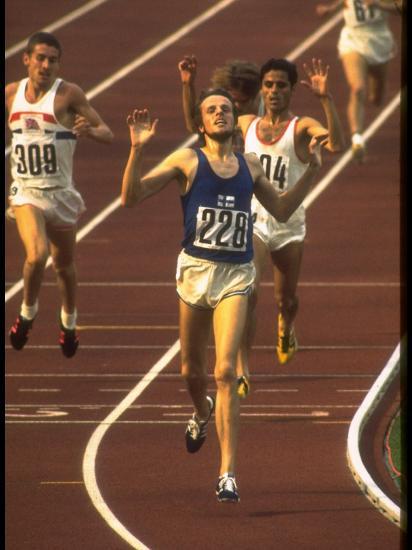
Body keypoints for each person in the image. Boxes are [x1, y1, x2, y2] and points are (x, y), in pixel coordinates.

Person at [120, 90, 322, 502]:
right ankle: (200, 411)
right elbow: (131, 197)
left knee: (225, 372)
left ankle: (227, 473)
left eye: (225, 109)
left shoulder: (250, 163)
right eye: (211, 110)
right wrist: (136, 151)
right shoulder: (187, 161)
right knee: (189, 373)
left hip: (236, 273)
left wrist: (312, 171)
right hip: (195, 272)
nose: (220, 113)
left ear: (234, 119)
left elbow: (282, 210)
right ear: (201, 124)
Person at [178, 57, 345, 400]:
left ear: (290, 90)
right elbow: (195, 124)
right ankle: (242, 368)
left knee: (286, 298)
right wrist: (187, 86)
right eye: (268, 85)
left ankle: (286, 325)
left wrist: (326, 99)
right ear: (261, 90)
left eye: (280, 85)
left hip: (289, 221)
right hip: (254, 219)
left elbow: (336, 144)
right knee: (248, 293)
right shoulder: (246, 123)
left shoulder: (301, 126)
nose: (273, 91)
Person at [6, 32, 114, 357]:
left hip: (61, 194)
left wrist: (90, 131)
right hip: (26, 191)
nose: (46, 65)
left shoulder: (68, 95)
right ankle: (27, 313)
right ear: (26, 59)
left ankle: (68, 321)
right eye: (40, 58)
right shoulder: (11, 95)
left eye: (52, 59)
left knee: (64, 266)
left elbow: (108, 134)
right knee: (37, 255)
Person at [315, 0, 402, 162]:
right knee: (358, 88)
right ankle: (357, 139)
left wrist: (379, 5)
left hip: (379, 37)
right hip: (353, 38)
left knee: (377, 98)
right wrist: (331, 8)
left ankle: (371, 77)